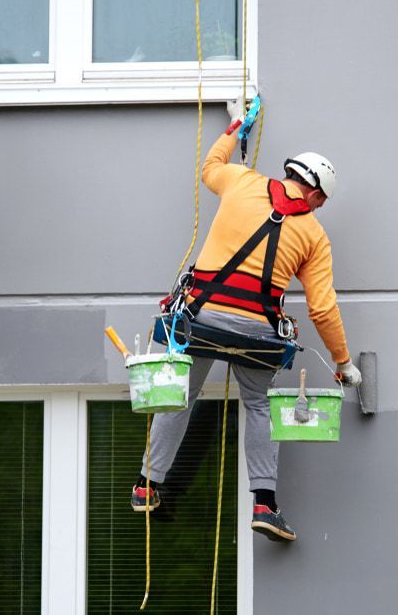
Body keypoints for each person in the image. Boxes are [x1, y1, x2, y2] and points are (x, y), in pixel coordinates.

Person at [131, 101, 362, 542]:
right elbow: (322, 308)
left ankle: (147, 486)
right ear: (314, 195)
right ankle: (264, 505)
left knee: (181, 395)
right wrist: (342, 362)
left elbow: (210, 166)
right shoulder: (314, 234)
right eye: (321, 202)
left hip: (202, 318)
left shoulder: (241, 180)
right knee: (257, 404)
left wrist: (237, 126)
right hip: (256, 331)